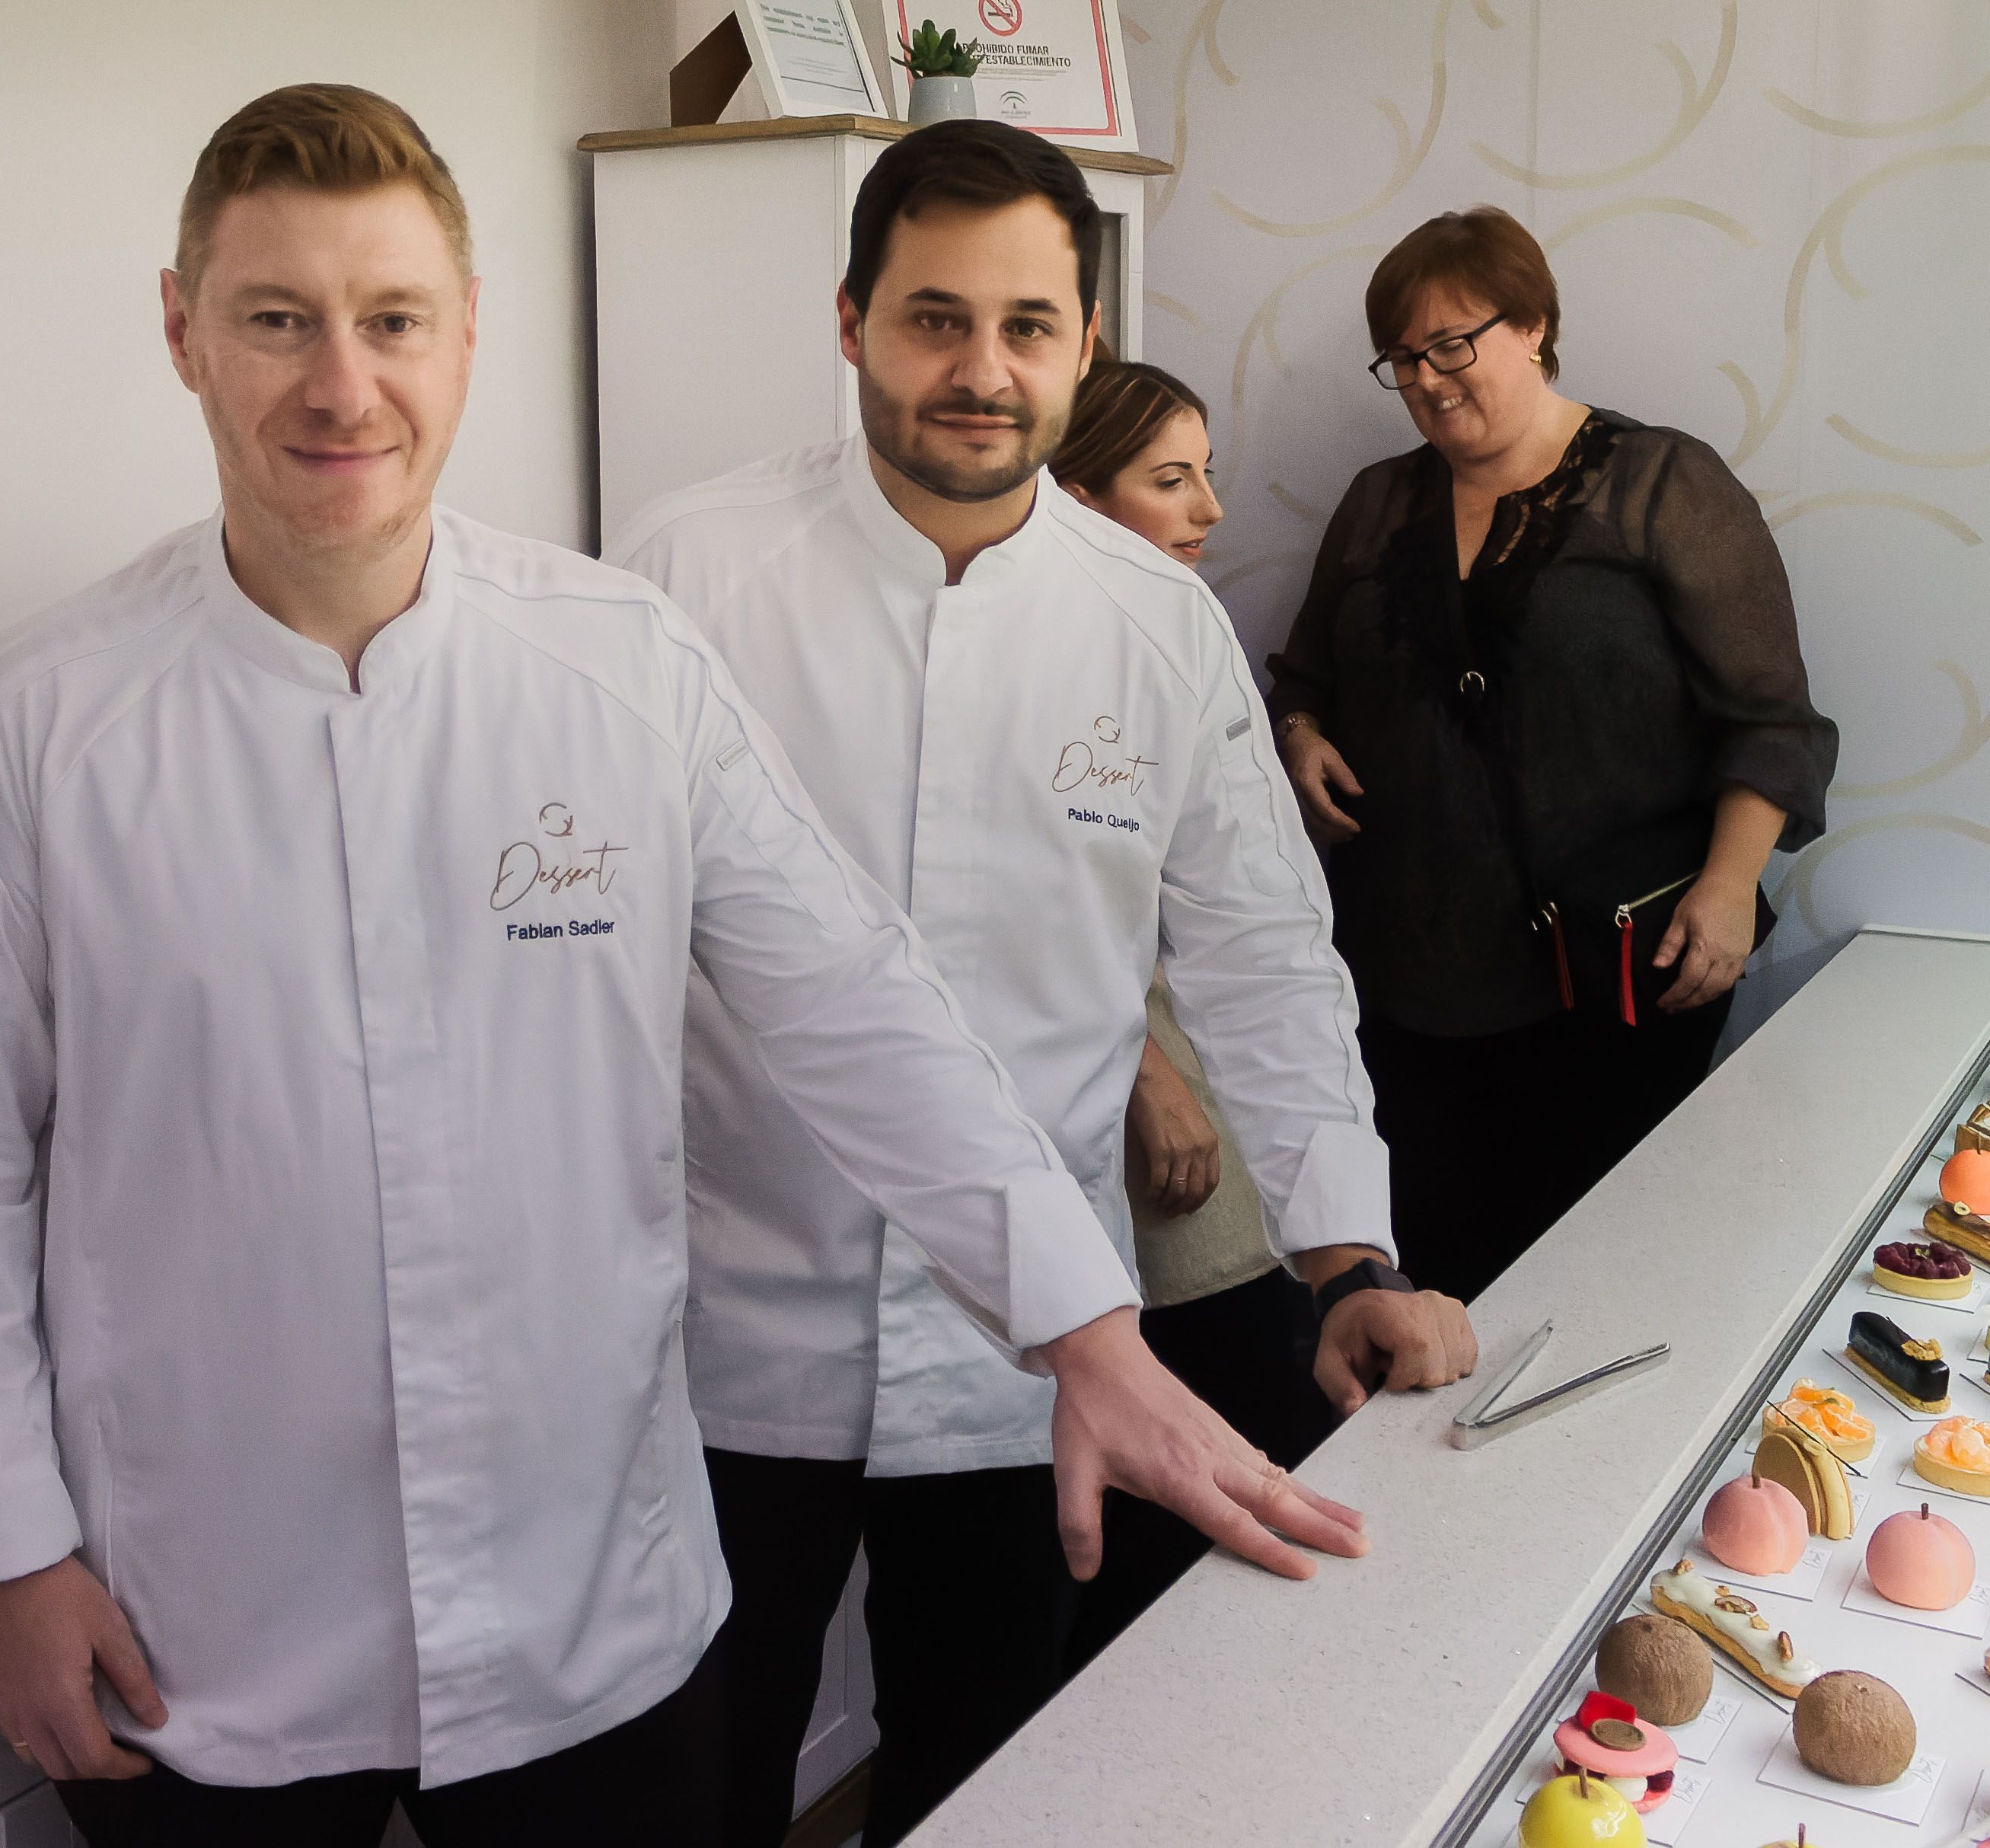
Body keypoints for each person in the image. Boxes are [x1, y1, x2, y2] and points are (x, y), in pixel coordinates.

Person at [0, 86, 1367, 1848]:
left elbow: (854, 1006)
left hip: (586, 1595)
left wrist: (1083, 1324)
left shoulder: (618, 661)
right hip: (200, 1600)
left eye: (394, 320)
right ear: (182, 329)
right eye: (278, 319)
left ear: (469, 335)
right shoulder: (41, 719)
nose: (343, 385)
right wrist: (9, 1553)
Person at [611, 122, 1478, 1847]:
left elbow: (1261, 958)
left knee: (984, 1783)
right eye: (934, 319)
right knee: (694, 1789)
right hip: (718, 1341)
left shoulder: (1155, 630)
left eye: (1025, 326)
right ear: (850, 318)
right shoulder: (680, 575)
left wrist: (1344, 1250)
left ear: (1084, 343)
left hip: (1036, 1357)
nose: (980, 371)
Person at [1268, 206, 1839, 1307]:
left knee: (1586, 1279)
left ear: (1533, 326)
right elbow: (1304, 676)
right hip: (1402, 968)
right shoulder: (1380, 500)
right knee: (1423, 1267)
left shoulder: (1665, 485)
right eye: (1401, 358)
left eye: (1450, 345)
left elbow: (1772, 719)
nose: (1427, 378)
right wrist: (1300, 737)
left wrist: (1728, 891)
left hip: (1609, 980)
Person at [1046, 359, 1347, 1669]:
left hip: (1202, 1068)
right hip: (1116, 1105)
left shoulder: (1179, 639)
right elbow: (1013, 927)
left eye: (1207, 472)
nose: (1212, 509)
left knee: (1246, 1393)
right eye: (1172, 479)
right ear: (1071, 496)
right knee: (1197, 1438)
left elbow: (1255, 928)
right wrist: (1146, 1072)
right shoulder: (1022, 662)